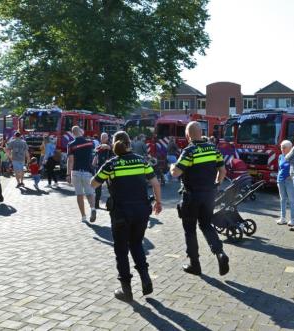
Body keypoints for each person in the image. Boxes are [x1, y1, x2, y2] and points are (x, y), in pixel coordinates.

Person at [91, 131, 162, 302]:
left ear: (114, 144)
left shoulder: (111, 164)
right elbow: (155, 183)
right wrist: (158, 202)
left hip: (121, 212)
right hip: (141, 210)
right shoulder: (142, 160)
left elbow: (93, 184)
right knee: (136, 244)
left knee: (121, 250)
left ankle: (127, 291)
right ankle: (146, 280)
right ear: (129, 143)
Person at [170, 121, 229, 276]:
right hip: (209, 195)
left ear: (188, 135)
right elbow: (222, 170)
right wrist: (216, 184)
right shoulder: (212, 148)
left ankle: (194, 265)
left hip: (191, 196)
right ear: (201, 132)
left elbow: (176, 172)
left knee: (190, 230)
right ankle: (220, 253)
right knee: (206, 225)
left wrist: (171, 167)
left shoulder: (189, 150)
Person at [66, 126, 96, 223]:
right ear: (81, 132)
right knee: (90, 193)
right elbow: (94, 154)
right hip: (88, 171)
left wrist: (68, 174)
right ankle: (93, 208)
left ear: (72, 133)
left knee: (79, 194)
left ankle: (83, 216)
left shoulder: (71, 145)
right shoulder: (90, 142)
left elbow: (70, 161)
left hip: (76, 172)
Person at [276, 140, 294, 226]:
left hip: (289, 181)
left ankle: (292, 219)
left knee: (291, 200)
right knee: (282, 199)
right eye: (281, 147)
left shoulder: (293, 156)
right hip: (280, 180)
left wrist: (291, 176)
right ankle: (283, 218)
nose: (282, 149)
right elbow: (280, 168)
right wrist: (278, 178)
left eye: (284, 147)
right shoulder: (280, 156)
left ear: (290, 148)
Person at [92, 133, 113, 209]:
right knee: (98, 186)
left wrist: (102, 146)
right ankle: (96, 204)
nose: (103, 138)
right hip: (99, 168)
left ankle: (112, 203)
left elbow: (108, 147)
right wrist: (93, 163)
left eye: (104, 137)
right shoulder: (99, 146)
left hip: (108, 169)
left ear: (107, 138)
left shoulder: (110, 145)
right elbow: (96, 155)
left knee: (111, 187)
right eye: (102, 137)